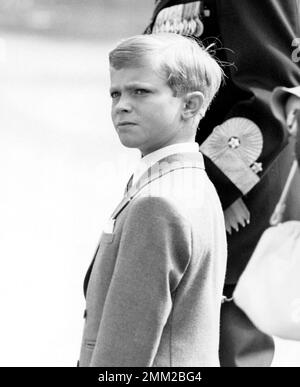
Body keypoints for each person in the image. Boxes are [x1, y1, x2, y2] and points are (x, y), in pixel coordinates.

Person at [145, 0, 300, 367]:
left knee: (221, 351)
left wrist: (198, 192)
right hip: (174, 192)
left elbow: (268, 99)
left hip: (230, 205)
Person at [77, 33, 227, 367]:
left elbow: (123, 360)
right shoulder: (193, 183)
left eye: (140, 91)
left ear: (190, 104)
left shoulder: (158, 203)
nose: (122, 105)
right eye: (115, 93)